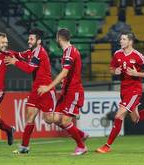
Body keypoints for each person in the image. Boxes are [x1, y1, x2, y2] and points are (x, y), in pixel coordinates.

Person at [96, 31, 144, 153]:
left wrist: (136, 73)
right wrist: (115, 71)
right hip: (123, 90)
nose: (121, 41)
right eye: (121, 39)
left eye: (123, 39)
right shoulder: (117, 54)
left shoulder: (138, 56)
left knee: (119, 115)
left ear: (130, 41)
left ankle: (107, 146)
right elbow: (111, 68)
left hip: (134, 90)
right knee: (135, 119)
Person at [4, 28, 56, 154]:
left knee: (49, 119)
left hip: (46, 89)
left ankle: (68, 115)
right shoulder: (30, 52)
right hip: (36, 90)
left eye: (31, 39)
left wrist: (15, 62)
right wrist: (1, 50)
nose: (29, 41)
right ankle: (24, 147)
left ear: (39, 41)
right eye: (29, 38)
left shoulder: (40, 52)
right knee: (30, 116)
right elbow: (16, 54)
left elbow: (29, 69)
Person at [37, 28, 88, 156]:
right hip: (66, 90)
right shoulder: (67, 52)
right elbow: (69, 73)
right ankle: (81, 134)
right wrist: (63, 81)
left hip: (73, 91)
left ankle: (81, 146)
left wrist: (48, 87)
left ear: (58, 38)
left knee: (65, 121)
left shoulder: (70, 52)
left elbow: (65, 72)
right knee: (50, 118)